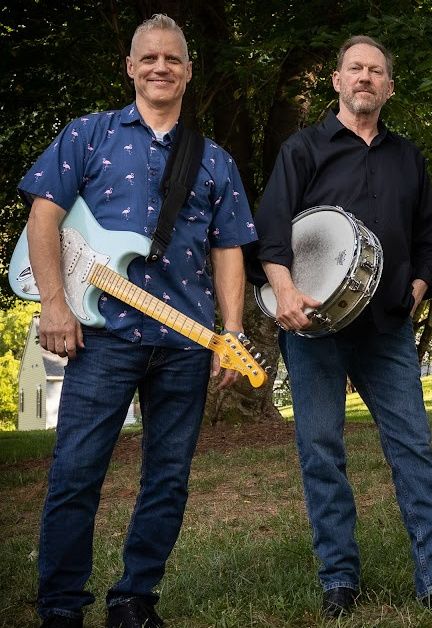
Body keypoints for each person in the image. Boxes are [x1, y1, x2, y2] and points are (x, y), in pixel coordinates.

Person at [19, 14, 257, 628]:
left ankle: (134, 599)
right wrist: (53, 303)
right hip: (100, 337)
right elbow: (44, 219)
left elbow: (228, 248)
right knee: (75, 473)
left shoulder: (214, 160)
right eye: (148, 58)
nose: (160, 67)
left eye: (172, 59)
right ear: (130, 67)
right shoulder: (88, 136)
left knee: (168, 479)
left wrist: (230, 332)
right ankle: (60, 607)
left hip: (183, 339)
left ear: (187, 71)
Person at [253, 35, 432, 617]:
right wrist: (283, 290)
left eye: (376, 71)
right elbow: (269, 232)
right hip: (312, 328)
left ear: (388, 86)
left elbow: (430, 236)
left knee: (413, 447)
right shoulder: (302, 150)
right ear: (337, 81)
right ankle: (339, 581)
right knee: (321, 451)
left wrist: (418, 285)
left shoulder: (407, 157)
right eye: (355, 69)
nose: (365, 77)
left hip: (386, 327)